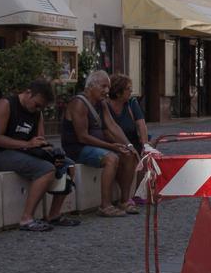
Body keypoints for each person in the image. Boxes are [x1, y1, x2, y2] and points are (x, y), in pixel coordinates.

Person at [0, 79, 80, 232]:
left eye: (41, 107)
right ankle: (26, 219)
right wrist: (27, 144)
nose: (38, 109)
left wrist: (51, 153)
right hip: (1, 154)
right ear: (28, 93)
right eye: (37, 104)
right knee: (46, 170)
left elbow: (40, 140)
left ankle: (54, 215)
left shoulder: (37, 113)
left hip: (25, 152)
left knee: (68, 164)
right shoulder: (5, 104)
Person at [62, 70, 139, 217]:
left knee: (128, 155)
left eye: (108, 87)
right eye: (103, 87)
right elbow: (82, 137)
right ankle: (105, 205)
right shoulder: (79, 103)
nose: (107, 91)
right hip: (78, 149)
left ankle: (124, 200)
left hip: (96, 146)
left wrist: (129, 145)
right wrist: (111, 146)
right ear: (91, 86)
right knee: (112, 158)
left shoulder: (101, 103)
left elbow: (112, 125)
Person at [106, 74, 148, 211]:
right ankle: (126, 197)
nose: (131, 91)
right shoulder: (105, 106)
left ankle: (139, 193)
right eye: (128, 89)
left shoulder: (131, 103)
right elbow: (107, 129)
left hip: (132, 140)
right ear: (118, 93)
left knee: (146, 153)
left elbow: (141, 124)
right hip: (114, 143)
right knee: (127, 155)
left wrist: (145, 144)